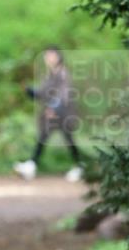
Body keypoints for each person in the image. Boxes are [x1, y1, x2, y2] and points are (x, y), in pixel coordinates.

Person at [13, 45, 83, 183]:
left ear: (58, 56)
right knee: (43, 137)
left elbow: (64, 94)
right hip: (52, 114)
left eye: (51, 55)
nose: (48, 58)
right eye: (46, 55)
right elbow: (42, 93)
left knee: (68, 140)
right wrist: (30, 91)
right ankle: (32, 164)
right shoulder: (50, 75)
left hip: (64, 114)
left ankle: (80, 166)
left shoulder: (63, 73)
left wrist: (54, 107)